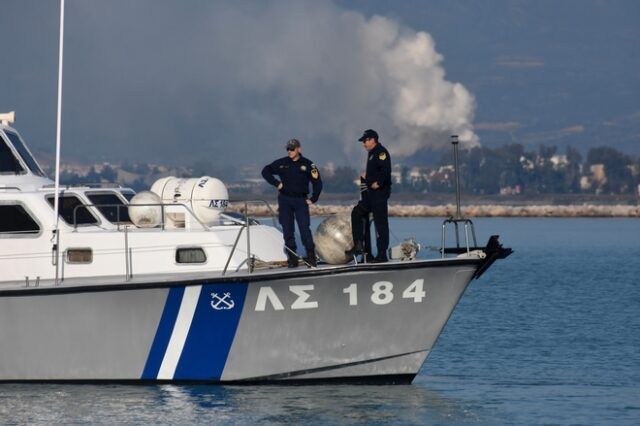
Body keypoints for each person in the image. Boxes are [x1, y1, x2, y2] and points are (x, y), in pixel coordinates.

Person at [262, 138, 323, 268]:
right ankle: (292, 257)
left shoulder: (308, 164)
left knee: (304, 229)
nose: (289, 151)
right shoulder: (282, 163)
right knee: (287, 230)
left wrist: (313, 198)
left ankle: (311, 257)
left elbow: (317, 182)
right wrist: (277, 183)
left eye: (292, 149)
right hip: (285, 201)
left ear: (299, 149)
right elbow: (265, 171)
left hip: (301, 201)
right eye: (288, 149)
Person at [346, 129, 391, 263]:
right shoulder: (372, 153)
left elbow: (386, 170)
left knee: (380, 223)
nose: (363, 144)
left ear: (373, 140)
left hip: (379, 194)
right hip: (370, 194)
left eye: (365, 141)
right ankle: (360, 247)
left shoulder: (381, 152)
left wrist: (379, 183)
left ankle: (382, 254)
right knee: (357, 213)